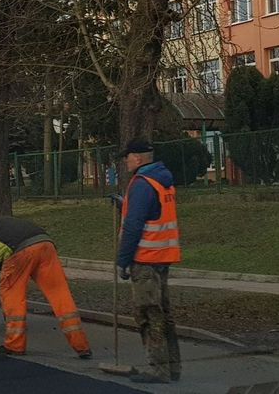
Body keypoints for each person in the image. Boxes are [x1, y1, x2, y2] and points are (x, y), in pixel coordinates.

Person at [0, 213, 92, 359]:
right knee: (60, 295)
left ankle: (14, 345)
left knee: (12, 297)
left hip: (22, 251)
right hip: (45, 244)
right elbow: (10, 266)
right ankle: (82, 346)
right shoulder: (0, 224)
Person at [115, 140, 181, 384]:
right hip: (163, 255)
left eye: (128, 157)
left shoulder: (142, 184)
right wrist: (124, 205)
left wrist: (122, 259)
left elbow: (134, 225)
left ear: (139, 158)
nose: (126, 161)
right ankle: (173, 367)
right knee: (164, 313)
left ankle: (158, 369)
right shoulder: (162, 179)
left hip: (145, 258)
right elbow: (153, 212)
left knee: (148, 313)